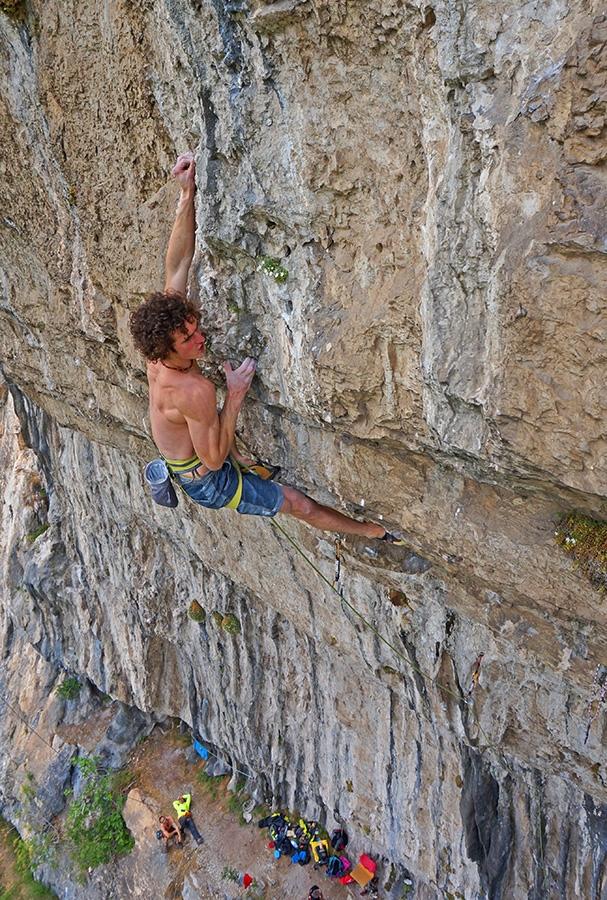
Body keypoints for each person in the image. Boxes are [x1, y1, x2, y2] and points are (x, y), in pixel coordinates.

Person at [129, 152, 405, 543]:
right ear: (167, 349)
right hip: (206, 481)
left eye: (195, 328)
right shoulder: (195, 390)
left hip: (187, 450)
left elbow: (178, 262)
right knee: (299, 504)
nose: (199, 338)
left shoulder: (160, 341)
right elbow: (213, 459)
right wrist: (236, 395)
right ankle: (377, 533)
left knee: (227, 445)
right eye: (189, 340)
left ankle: (248, 460)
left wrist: (186, 195)